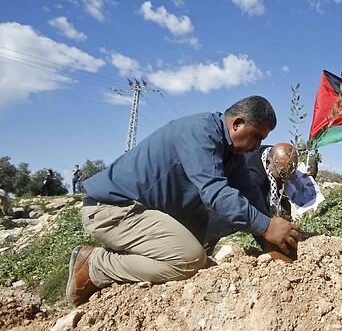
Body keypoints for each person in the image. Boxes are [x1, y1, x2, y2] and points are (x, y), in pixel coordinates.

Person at [65, 96, 300, 307]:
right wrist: (267, 226)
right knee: (189, 259)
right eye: (257, 136)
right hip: (113, 209)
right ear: (237, 123)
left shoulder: (232, 154)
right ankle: (95, 265)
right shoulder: (200, 133)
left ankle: (140, 257)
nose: (258, 146)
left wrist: (270, 238)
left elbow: (249, 193)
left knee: (201, 230)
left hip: (143, 211)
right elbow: (216, 193)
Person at [245, 143, 300, 261]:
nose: (284, 181)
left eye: (288, 177)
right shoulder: (253, 177)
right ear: (268, 163)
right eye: (280, 177)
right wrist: (271, 244)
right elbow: (256, 214)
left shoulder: (279, 155)